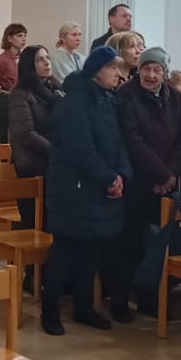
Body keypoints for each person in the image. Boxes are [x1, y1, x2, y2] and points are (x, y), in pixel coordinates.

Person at [43, 46, 130, 334]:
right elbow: (80, 149)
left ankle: (84, 308)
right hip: (73, 188)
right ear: (96, 71)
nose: (118, 74)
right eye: (112, 68)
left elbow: (118, 142)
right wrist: (108, 178)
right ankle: (50, 311)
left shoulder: (107, 99)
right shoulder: (73, 103)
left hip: (98, 186)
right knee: (64, 252)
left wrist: (121, 176)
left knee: (90, 252)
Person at [115, 46, 181, 320]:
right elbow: (132, 140)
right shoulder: (126, 95)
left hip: (166, 184)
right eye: (146, 68)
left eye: (157, 70)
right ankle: (121, 300)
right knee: (130, 244)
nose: (151, 75)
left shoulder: (174, 97)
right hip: (137, 182)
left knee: (158, 246)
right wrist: (161, 175)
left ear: (164, 73)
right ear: (139, 70)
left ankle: (149, 298)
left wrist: (172, 175)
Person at [7, 45, 62, 182]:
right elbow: (26, 134)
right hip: (32, 164)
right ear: (29, 66)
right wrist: (55, 150)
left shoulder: (57, 90)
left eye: (47, 58)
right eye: (39, 60)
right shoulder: (21, 94)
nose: (47, 62)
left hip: (55, 161)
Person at [0, 24, 28, 105]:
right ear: (9, 38)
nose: (24, 39)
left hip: (26, 104)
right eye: (19, 35)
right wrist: (3, 104)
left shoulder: (27, 58)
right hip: (8, 105)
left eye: (25, 36)